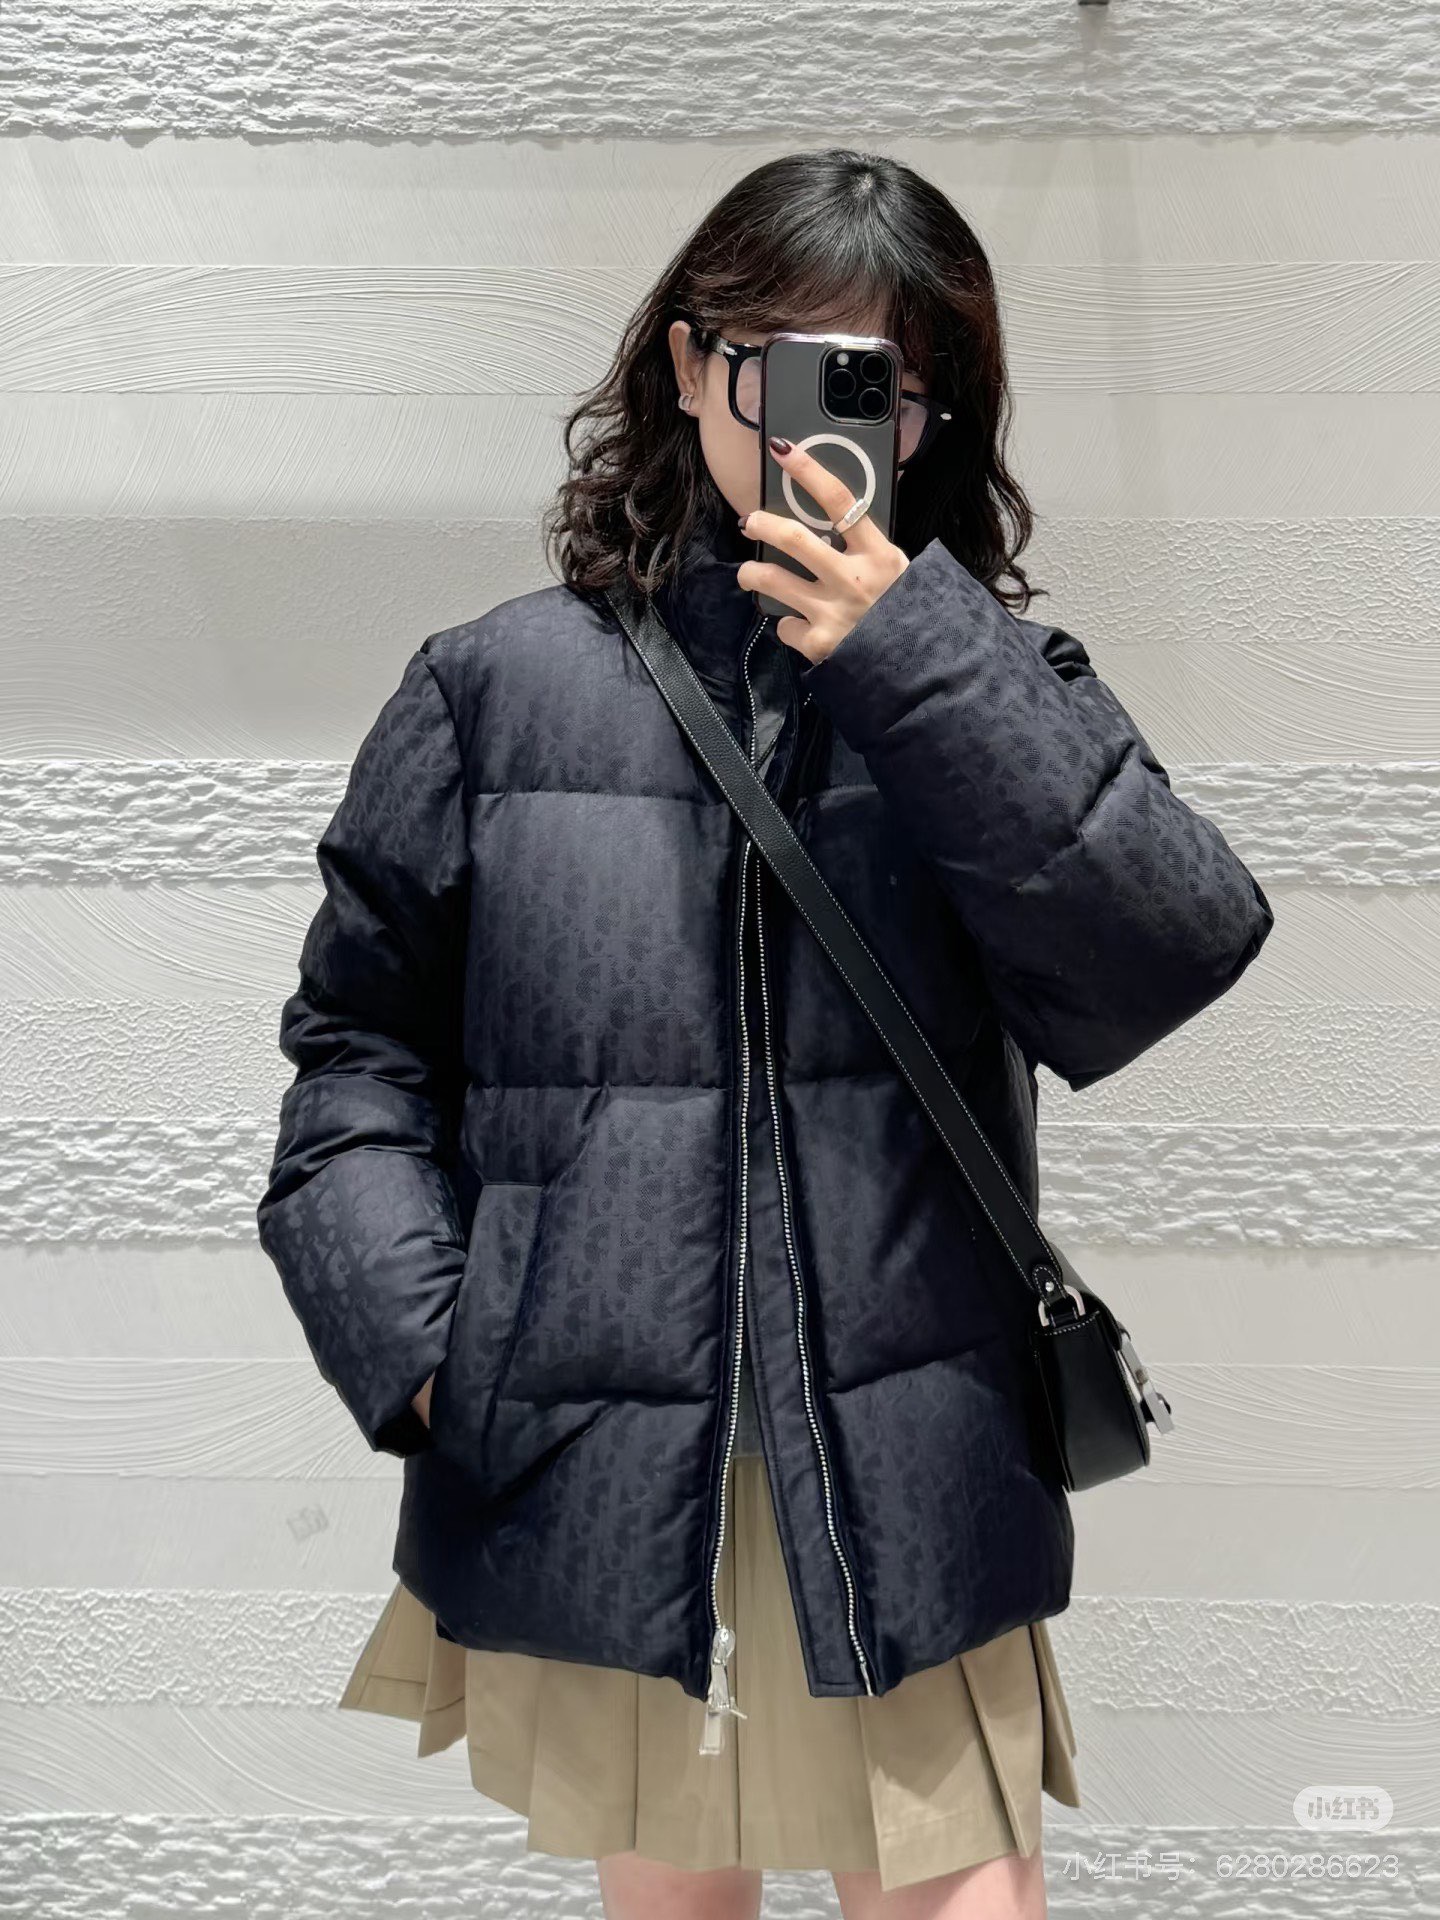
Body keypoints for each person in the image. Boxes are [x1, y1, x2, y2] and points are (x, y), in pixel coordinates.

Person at [257, 147, 1274, 1919]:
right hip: (597, 1456)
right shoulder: (495, 689)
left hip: (908, 1463)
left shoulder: (990, 684)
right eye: (785, 368)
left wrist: (921, 662)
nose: (825, 422)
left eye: (881, 383)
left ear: (932, 415)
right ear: (685, 364)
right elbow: (357, 1055)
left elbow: (1169, 952)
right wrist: (427, 1349)